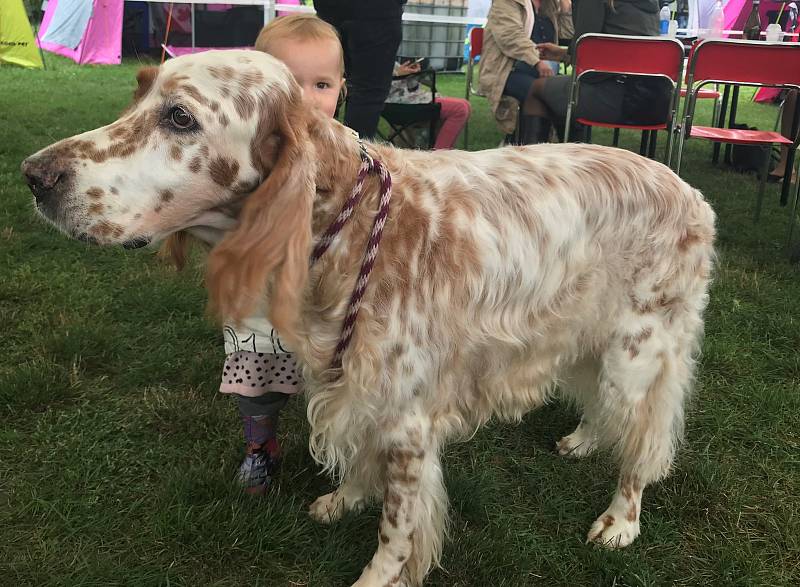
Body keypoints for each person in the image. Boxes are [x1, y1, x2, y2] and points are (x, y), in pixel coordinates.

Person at [222, 14, 345, 495]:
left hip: (331, 302)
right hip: (263, 306)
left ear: (341, 88)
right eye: (289, 84)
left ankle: (338, 446)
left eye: (322, 84)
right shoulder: (243, 156)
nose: (308, 100)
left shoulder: (347, 152)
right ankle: (261, 447)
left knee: (340, 382)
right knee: (262, 385)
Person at [526, 0, 671, 141]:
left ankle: (534, 161)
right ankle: (572, 155)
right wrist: (564, 54)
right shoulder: (651, 3)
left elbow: (585, 51)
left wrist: (570, 55)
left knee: (535, 90)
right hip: (657, 104)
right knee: (563, 93)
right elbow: (626, 51)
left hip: (622, 100)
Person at [313, 0, 406, 139]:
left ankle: (314, 149)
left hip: (329, 9)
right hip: (378, 10)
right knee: (367, 94)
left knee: (321, 84)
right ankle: (354, 157)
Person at [479, 0, 564, 144]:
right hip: (505, 70)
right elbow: (510, 37)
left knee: (562, 91)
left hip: (541, 71)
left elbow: (568, 33)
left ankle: (543, 146)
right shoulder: (505, 2)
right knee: (538, 91)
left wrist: (567, 10)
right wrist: (537, 61)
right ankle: (526, 145)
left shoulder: (550, 5)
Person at [386, 59, 472, 149]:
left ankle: (441, 151)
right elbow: (378, 89)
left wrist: (412, 74)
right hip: (397, 105)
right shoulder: (375, 61)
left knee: (465, 105)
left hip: (411, 99)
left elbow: (411, 88)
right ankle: (439, 156)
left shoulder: (388, 58)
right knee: (460, 109)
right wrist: (397, 74)